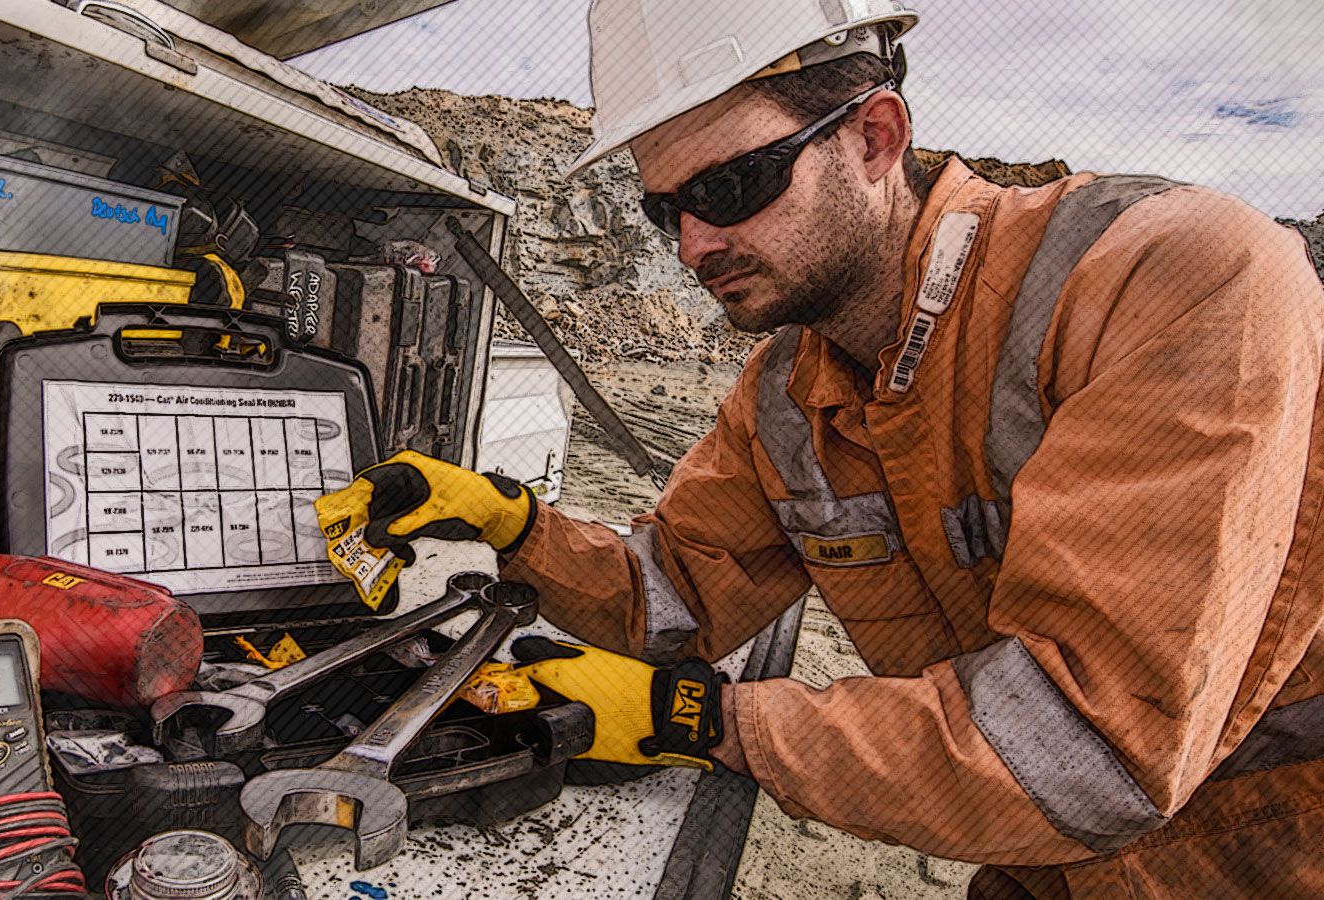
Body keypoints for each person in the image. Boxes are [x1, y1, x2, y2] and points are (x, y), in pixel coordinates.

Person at [321, 0, 1324, 896]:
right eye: (662, 208)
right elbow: (672, 599)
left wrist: (705, 722)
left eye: (729, 185)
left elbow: (1087, 750)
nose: (689, 246)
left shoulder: (1169, 282)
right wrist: (512, 523)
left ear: (875, 137)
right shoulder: (791, 397)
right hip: (1044, 868)